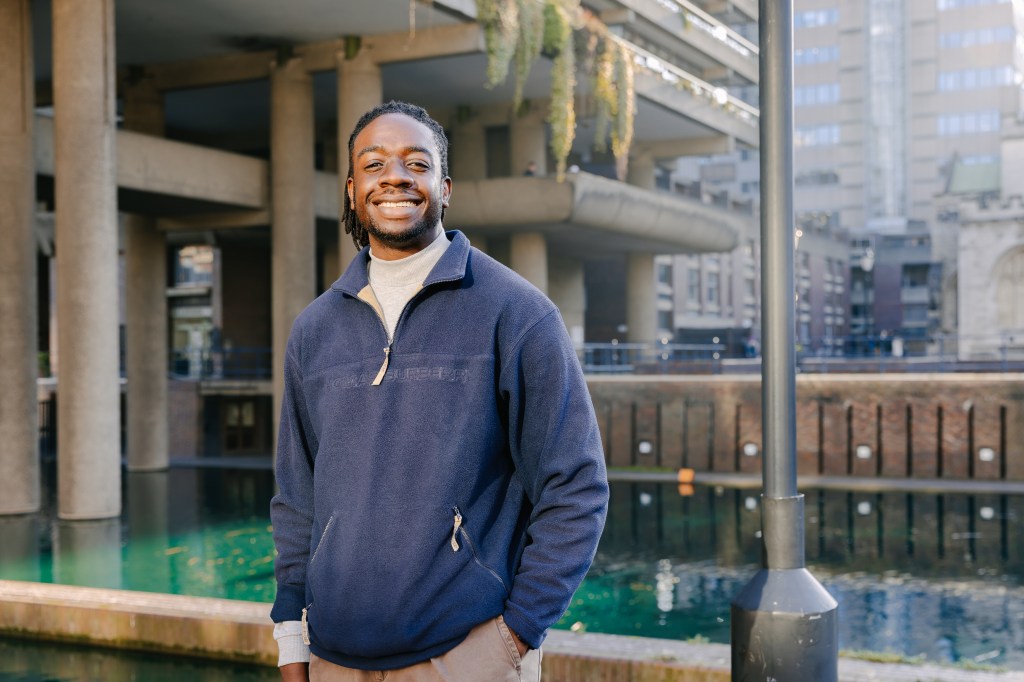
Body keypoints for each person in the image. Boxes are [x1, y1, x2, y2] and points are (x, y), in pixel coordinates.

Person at [270, 100, 609, 682]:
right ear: (353, 191)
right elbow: (296, 500)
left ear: (444, 187)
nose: (395, 176)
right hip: (332, 660)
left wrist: (515, 636)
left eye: (415, 163)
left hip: (463, 659)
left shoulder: (517, 312)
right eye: (374, 165)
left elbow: (576, 488)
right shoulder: (314, 329)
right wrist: (291, 641)